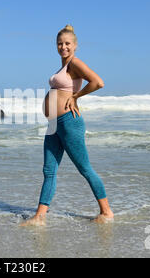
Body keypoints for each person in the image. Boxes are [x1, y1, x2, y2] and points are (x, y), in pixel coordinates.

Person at [21, 25, 114, 226]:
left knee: (85, 168)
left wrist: (76, 96)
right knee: (49, 170)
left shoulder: (75, 63)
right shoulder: (62, 68)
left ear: (75, 45)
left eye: (67, 43)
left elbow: (98, 82)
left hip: (69, 123)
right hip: (53, 124)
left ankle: (106, 212)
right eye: (60, 43)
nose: (63, 47)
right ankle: (40, 216)